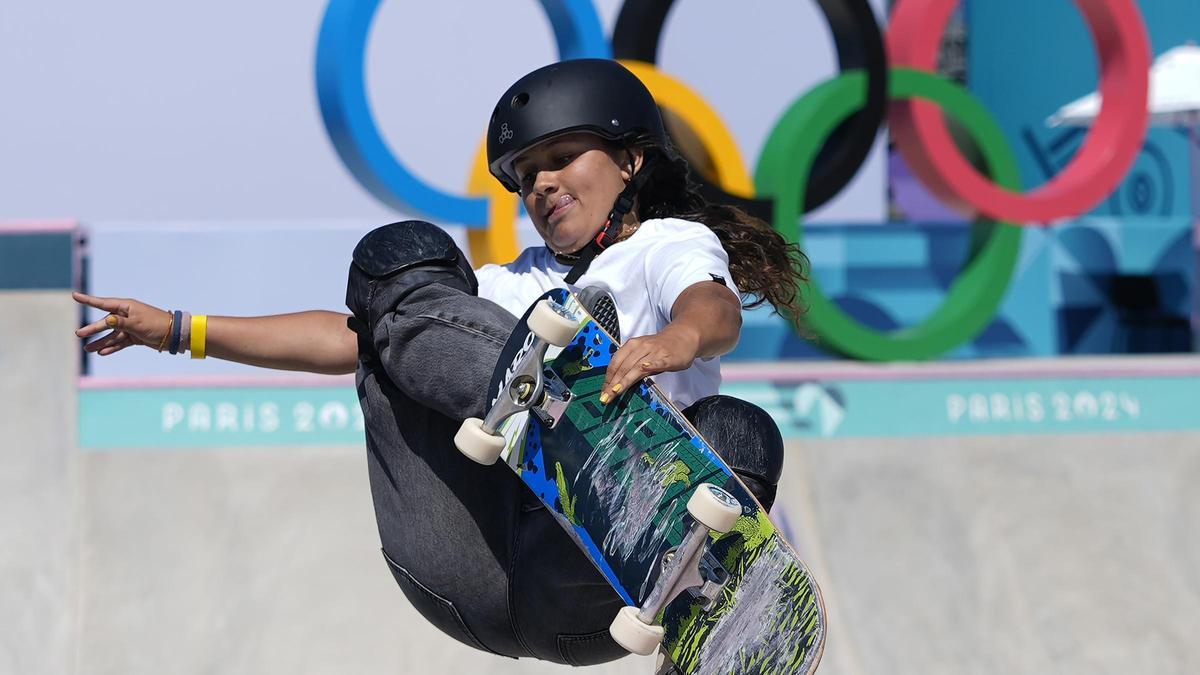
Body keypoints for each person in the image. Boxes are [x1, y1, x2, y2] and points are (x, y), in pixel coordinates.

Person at [73, 58, 809, 667]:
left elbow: (712, 309)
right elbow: (353, 338)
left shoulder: (667, 247)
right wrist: (177, 328)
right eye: (527, 176)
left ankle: (707, 612)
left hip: (587, 591)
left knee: (739, 433)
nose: (542, 185)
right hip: (462, 557)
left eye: (560, 160)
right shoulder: (509, 288)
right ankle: (542, 393)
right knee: (403, 260)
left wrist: (674, 341)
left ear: (629, 159)